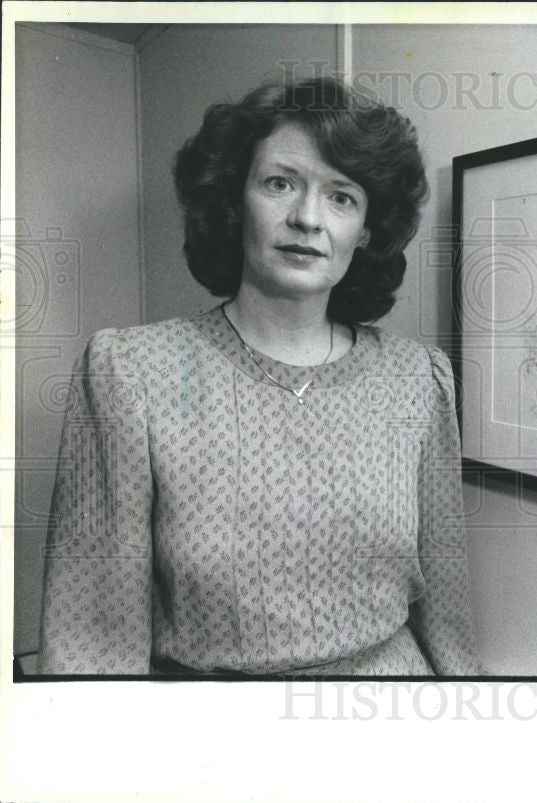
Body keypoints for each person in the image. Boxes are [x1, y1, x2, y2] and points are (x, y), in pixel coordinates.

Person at [37, 76, 480, 676]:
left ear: (367, 229)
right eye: (280, 184)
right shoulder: (131, 373)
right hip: (211, 741)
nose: (307, 218)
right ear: (232, 203)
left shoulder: (418, 381)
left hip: (391, 719)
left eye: (342, 197)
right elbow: (92, 634)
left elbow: (448, 614)